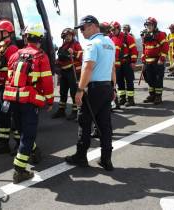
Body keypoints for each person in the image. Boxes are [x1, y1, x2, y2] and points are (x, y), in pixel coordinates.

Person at [3, 23, 54, 183]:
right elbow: (47, 82)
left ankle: (34, 151)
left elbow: (9, 78)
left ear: (26, 37)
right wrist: (50, 100)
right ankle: (19, 170)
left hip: (12, 99)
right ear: (40, 39)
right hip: (29, 101)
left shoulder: (15, 54)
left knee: (20, 129)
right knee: (28, 134)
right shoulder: (41, 56)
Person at [65, 15, 116, 171]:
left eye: (83, 28)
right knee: (105, 124)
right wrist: (113, 87)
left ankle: (81, 157)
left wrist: (80, 90)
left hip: (94, 89)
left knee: (84, 121)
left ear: (93, 26)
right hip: (107, 87)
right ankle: (106, 159)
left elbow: (88, 68)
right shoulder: (110, 43)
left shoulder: (91, 44)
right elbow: (113, 67)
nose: (81, 31)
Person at [0, 19, 20, 155]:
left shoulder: (12, 49)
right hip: (0, 87)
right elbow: (1, 67)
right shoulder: (2, 47)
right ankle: (3, 144)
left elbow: (14, 71)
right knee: (2, 116)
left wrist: (0, 77)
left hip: (8, 88)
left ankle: (20, 144)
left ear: (6, 33)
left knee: (13, 116)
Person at [52, 28, 83, 120]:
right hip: (64, 72)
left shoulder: (76, 44)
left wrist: (74, 52)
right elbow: (61, 57)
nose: (68, 37)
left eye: (69, 35)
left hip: (73, 71)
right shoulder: (63, 45)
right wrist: (56, 63)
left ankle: (75, 111)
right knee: (63, 91)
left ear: (72, 36)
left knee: (73, 92)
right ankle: (62, 110)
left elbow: (81, 55)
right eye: (66, 36)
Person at [110, 21, 138, 106]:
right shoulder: (111, 38)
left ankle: (130, 100)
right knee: (119, 81)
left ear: (118, 28)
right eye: (111, 30)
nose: (112, 31)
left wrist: (133, 61)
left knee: (129, 81)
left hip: (127, 62)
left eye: (114, 30)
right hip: (118, 64)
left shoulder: (127, 37)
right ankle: (122, 98)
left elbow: (134, 51)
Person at [141, 17, 168, 105]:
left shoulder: (160, 34)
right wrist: (143, 55)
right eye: (147, 25)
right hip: (148, 61)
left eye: (150, 25)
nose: (148, 26)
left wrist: (162, 58)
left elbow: (165, 47)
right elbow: (145, 47)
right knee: (149, 78)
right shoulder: (145, 35)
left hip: (157, 61)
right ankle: (152, 95)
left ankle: (158, 96)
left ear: (154, 25)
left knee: (158, 79)